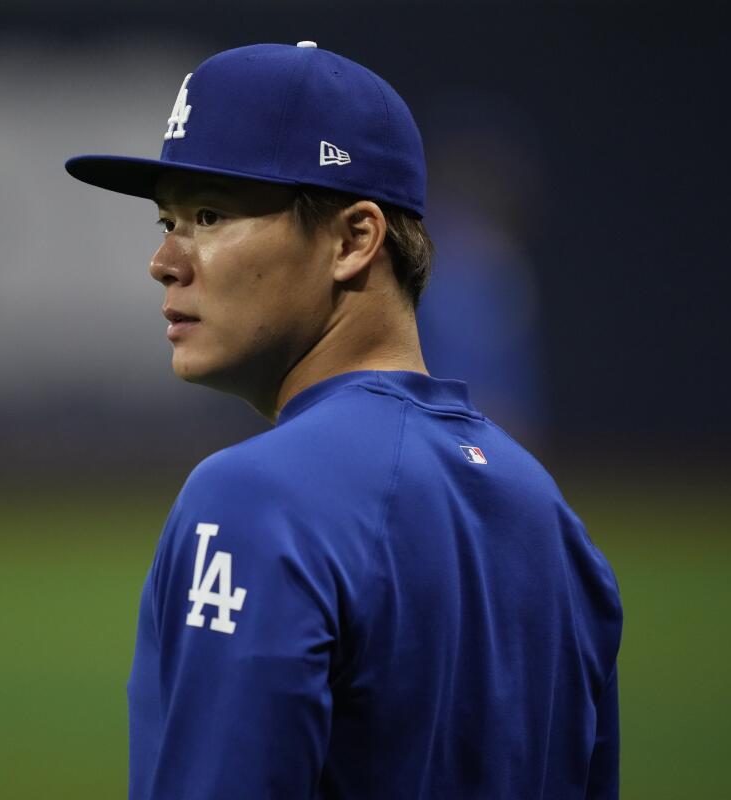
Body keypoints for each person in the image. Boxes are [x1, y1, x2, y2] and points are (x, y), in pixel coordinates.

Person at [66, 41, 622, 800]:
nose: (165, 258)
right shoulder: (552, 522)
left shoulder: (253, 500)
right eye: (166, 220)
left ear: (354, 240)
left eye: (208, 213)